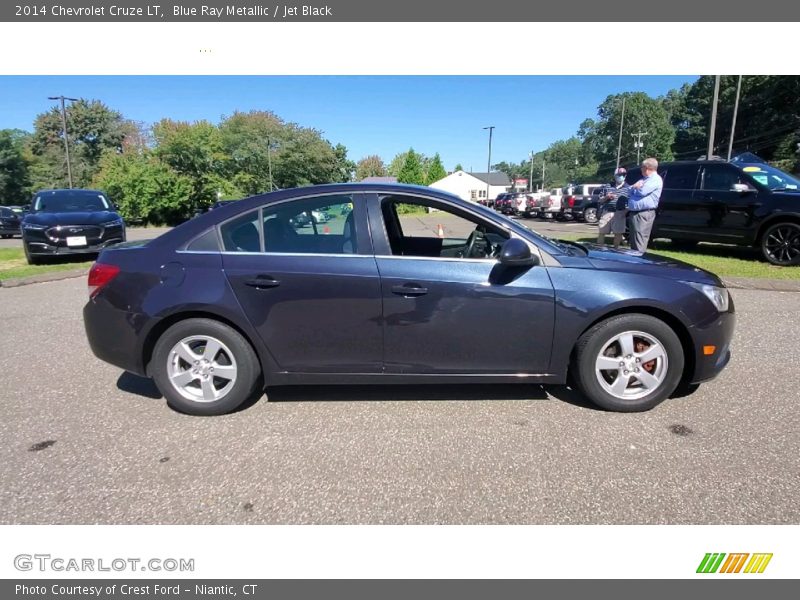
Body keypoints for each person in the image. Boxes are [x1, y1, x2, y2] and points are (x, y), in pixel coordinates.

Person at [626, 157, 663, 254]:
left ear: (647, 168)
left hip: (644, 214)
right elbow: (629, 190)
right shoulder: (644, 179)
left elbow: (642, 191)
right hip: (635, 213)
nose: (640, 169)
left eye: (641, 167)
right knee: (633, 240)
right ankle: (634, 261)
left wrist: (634, 188)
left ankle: (639, 263)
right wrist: (635, 187)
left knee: (640, 239)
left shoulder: (655, 179)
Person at [596, 167, 630, 248]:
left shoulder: (628, 188)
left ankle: (616, 249)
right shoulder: (608, 186)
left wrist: (624, 212)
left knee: (618, 234)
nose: (622, 176)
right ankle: (599, 249)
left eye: (624, 175)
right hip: (606, 212)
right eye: (620, 174)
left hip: (619, 213)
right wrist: (607, 197)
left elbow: (630, 203)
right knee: (602, 232)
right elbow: (600, 200)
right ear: (615, 175)